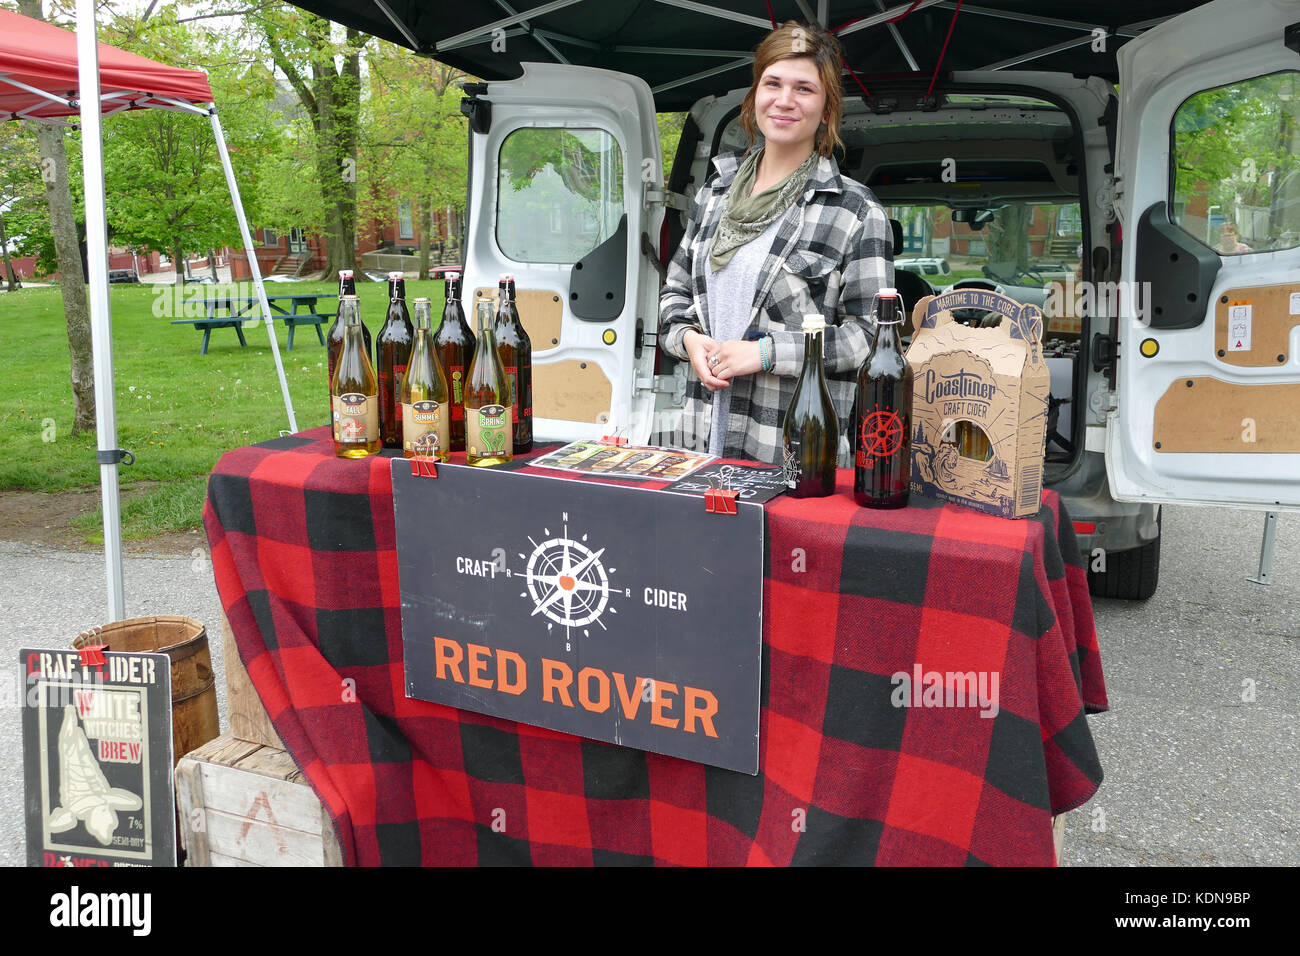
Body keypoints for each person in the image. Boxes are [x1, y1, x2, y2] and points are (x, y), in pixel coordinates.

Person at [658, 20, 893, 466]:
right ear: (755, 96)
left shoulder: (856, 212)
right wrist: (688, 340)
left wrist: (767, 353)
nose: (785, 100)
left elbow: (869, 338)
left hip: (791, 446)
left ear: (826, 110)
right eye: (773, 83)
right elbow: (674, 293)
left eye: (804, 89)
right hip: (698, 436)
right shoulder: (715, 194)